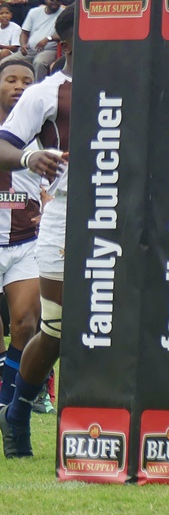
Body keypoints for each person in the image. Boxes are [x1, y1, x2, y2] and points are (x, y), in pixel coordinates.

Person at [0, 8, 73, 459]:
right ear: (69, 39)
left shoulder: (127, 83)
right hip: (67, 217)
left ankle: (110, 420)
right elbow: (5, 143)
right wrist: (30, 159)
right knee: (55, 329)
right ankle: (19, 411)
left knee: (117, 324)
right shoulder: (47, 92)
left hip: (120, 220)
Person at [0, 60, 34, 412]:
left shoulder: (44, 126)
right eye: (10, 80)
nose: (19, 86)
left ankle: (7, 400)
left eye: (26, 81)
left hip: (27, 239)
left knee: (26, 321)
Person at [3, 0, 61, 82]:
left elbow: (65, 35)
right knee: (6, 62)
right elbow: (24, 32)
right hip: (30, 50)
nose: (55, 1)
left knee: (39, 62)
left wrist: (48, 38)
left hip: (49, 50)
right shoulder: (34, 12)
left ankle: (38, 92)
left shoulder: (63, 14)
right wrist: (23, 45)